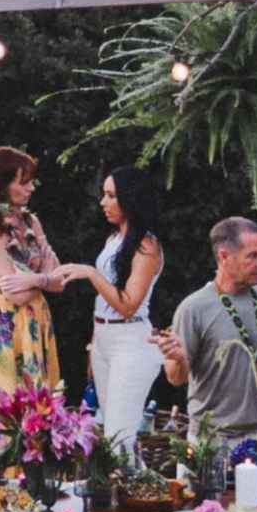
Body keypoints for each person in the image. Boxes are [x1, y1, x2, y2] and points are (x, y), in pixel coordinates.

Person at [156, 216, 257, 477]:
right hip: (213, 442)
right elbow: (176, 378)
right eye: (253, 256)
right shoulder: (194, 308)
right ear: (224, 256)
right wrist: (180, 359)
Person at [0, 147, 85, 431]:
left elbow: (57, 279)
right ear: (1, 184)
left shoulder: (31, 222)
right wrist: (44, 280)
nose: (31, 188)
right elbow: (13, 293)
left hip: (36, 320)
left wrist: (34, 280)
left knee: (38, 409)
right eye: (23, 181)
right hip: (4, 326)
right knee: (3, 410)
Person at [81, 163, 172, 446]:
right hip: (105, 339)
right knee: (110, 434)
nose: (103, 202)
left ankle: (125, 488)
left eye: (111, 195)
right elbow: (105, 302)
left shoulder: (147, 246)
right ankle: (123, 487)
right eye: (104, 194)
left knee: (118, 437)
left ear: (129, 199)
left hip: (131, 341)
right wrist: (94, 345)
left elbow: (129, 304)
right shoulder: (113, 239)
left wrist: (90, 274)